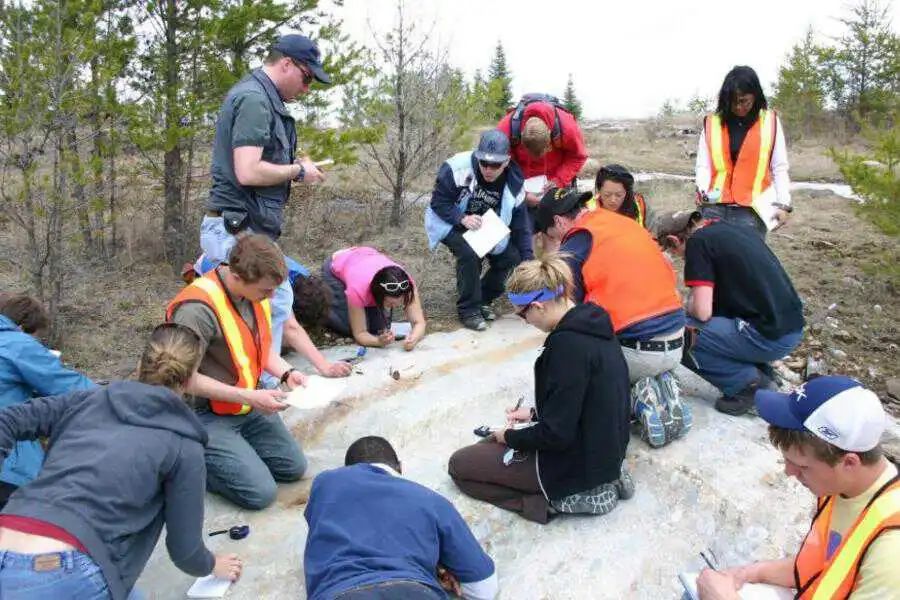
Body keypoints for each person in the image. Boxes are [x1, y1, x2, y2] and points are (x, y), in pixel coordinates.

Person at [0, 323, 242, 600]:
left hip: (11, 528)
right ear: (189, 382)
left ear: (139, 365)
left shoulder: (84, 400)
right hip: (69, 566)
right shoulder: (183, 445)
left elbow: (8, 419)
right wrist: (211, 565)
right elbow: (184, 551)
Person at [448, 255, 633, 524]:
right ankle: (604, 480)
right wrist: (534, 413)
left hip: (575, 463)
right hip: (604, 451)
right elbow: (589, 400)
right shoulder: (595, 324)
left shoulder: (566, 347)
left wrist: (509, 437)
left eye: (523, 315)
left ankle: (552, 501)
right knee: (488, 444)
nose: (525, 322)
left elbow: (556, 435)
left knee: (460, 465)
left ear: (537, 306)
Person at [696, 376, 900, 599]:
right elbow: (825, 566)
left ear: (849, 463)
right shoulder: (843, 488)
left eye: (802, 466)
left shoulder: (891, 550)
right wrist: (750, 573)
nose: (789, 472)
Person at [201, 33, 330, 387]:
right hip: (236, 228)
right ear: (286, 64)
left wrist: (295, 167)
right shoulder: (256, 99)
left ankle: (259, 383)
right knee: (270, 299)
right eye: (306, 77)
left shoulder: (260, 97)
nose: (306, 88)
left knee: (266, 303)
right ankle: (260, 387)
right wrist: (298, 171)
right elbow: (248, 170)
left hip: (244, 227)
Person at [533, 188, 689, 447]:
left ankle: (634, 400)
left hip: (638, 352)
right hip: (676, 341)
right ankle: (660, 382)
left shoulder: (576, 242)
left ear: (559, 223)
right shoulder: (624, 223)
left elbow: (566, 314)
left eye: (552, 236)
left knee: (570, 359)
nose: (556, 242)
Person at [167, 234, 308, 510]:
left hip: (243, 403)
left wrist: (287, 373)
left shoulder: (255, 294)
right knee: (261, 494)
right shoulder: (196, 310)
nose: (271, 296)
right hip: (201, 413)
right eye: (266, 290)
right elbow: (182, 378)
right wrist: (251, 397)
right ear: (238, 277)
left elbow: (258, 347)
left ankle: (234, 450)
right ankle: (186, 458)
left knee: (294, 468)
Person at [304, 436, 498, 600]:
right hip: (411, 590)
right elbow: (484, 589)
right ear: (400, 468)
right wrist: (435, 567)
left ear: (347, 469)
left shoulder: (324, 485)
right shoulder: (430, 500)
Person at [657, 209, 805, 416]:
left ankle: (747, 384)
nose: (679, 258)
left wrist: (683, 304)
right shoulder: (732, 229)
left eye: (674, 252)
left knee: (674, 331)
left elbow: (702, 312)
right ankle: (762, 372)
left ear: (674, 240)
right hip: (790, 327)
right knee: (710, 324)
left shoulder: (698, 243)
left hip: (767, 337)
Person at [425, 129, 533, 331]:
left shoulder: (515, 185)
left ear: (507, 162)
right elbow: (438, 202)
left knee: (511, 257)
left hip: (484, 224)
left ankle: (482, 297)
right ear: (477, 156)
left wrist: (529, 260)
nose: (488, 169)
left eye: (495, 165)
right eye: (484, 163)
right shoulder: (456, 167)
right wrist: (461, 218)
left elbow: (521, 226)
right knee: (469, 251)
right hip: (449, 220)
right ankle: (468, 309)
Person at [187, 252, 351, 378]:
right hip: (208, 267)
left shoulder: (301, 279)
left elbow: (289, 325)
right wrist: (324, 366)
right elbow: (290, 327)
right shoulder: (280, 291)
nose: (270, 296)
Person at [0, 294, 94, 510]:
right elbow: (70, 386)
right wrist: (122, 394)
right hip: (8, 467)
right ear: (23, 328)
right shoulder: (17, 344)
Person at [695, 66, 792, 238]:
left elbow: (779, 167)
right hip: (714, 208)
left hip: (752, 211)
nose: (738, 107)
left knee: (746, 263)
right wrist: (702, 191)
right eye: (733, 102)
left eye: (744, 101)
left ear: (755, 95)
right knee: (713, 262)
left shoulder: (771, 122)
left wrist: (783, 204)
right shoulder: (711, 123)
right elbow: (703, 165)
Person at [496, 94, 588, 214]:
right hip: (521, 184)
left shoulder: (567, 128)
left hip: (555, 183)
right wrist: (520, 192)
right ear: (521, 136)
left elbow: (577, 156)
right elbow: (500, 164)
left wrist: (558, 181)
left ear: (550, 137)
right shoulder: (506, 128)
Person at [321, 246, 426, 350]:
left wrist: (413, 338)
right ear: (377, 294)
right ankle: (322, 308)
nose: (396, 306)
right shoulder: (357, 289)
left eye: (400, 301)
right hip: (337, 264)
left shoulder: (406, 285)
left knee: (378, 329)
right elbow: (360, 334)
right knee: (348, 328)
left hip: (364, 256)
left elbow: (419, 322)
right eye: (390, 304)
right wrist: (378, 342)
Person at [587, 164, 655, 233]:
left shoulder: (640, 205)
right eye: (607, 195)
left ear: (626, 192)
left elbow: (652, 238)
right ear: (599, 192)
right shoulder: (587, 210)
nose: (613, 200)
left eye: (618, 195)